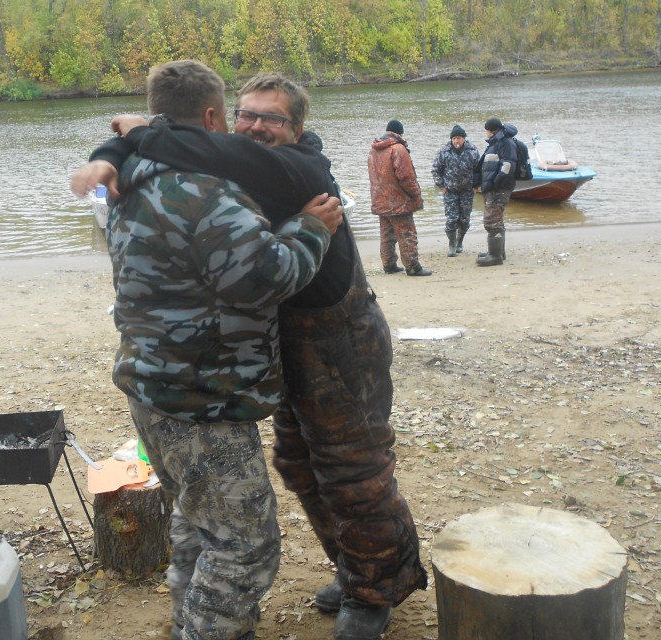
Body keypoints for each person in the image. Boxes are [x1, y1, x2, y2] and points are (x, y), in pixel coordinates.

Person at [73, 73, 429, 640]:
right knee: (297, 463)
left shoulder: (301, 167)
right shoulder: (224, 162)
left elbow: (194, 146)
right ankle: (353, 567)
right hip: (279, 343)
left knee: (352, 469)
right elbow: (192, 144)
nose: (257, 127)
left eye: (273, 118)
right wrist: (114, 150)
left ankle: (377, 587)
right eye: (248, 114)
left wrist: (138, 134)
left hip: (338, 339)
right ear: (224, 118)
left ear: (298, 129)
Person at [100, 60, 340, 640]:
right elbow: (267, 276)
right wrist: (312, 228)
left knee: (198, 523)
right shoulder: (205, 191)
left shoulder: (129, 175)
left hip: (150, 388)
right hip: (202, 400)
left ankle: (187, 622)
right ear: (213, 117)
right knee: (244, 549)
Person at [366, 119, 431, 277]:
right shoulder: (398, 149)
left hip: (380, 200)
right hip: (399, 202)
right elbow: (406, 178)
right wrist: (416, 195)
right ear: (400, 133)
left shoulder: (373, 150)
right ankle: (413, 266)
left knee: (386, 234)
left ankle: (389, 265)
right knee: (407, 233)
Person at [472, 116, 518, 266]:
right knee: (497, 220)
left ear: (490, 130)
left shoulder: (505, 143)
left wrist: (494, 183)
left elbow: (508, 166)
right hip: (493, 189)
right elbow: (485, 166)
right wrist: (478, 183)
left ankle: (495, 256)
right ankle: (498, 252)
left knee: (492, 222)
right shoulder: (496, 143)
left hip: (499, 189)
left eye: (486, 130)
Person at [431, 124, 480, 257]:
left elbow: (478, 170)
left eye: (458, 138)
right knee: (451, 220)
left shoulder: (472, 151)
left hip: (467, 192)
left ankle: (459, 242)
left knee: (464, 220)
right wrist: (441, 185)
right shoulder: (444, 152)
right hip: (450, 192)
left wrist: (476, 186)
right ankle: (452, 245)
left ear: (464, 138)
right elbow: (435, 170)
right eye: (454, 138)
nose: (456, 141)